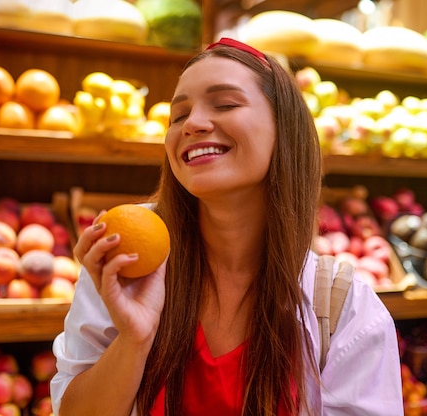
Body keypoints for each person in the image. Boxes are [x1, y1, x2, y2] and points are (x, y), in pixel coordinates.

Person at [50, 37, 403, 415]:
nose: (194, 124)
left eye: (226, 104)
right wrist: (134, 341)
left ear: (284, 130)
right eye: (179, 116)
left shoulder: (344, 310)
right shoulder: (128, 265)